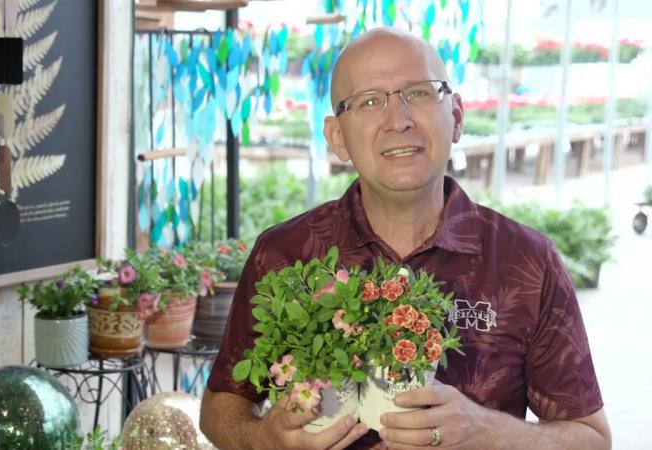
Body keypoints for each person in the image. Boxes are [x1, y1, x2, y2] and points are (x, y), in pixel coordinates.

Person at [199, 27, 611, 450]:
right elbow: (220, 407)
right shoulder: (284, 254)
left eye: (419, 92)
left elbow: (591, 438)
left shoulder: (525, 261)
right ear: (337, 136)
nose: (398, 120)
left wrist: (485, 431)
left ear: (456, 116)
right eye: (369, 101)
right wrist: (261, 439)